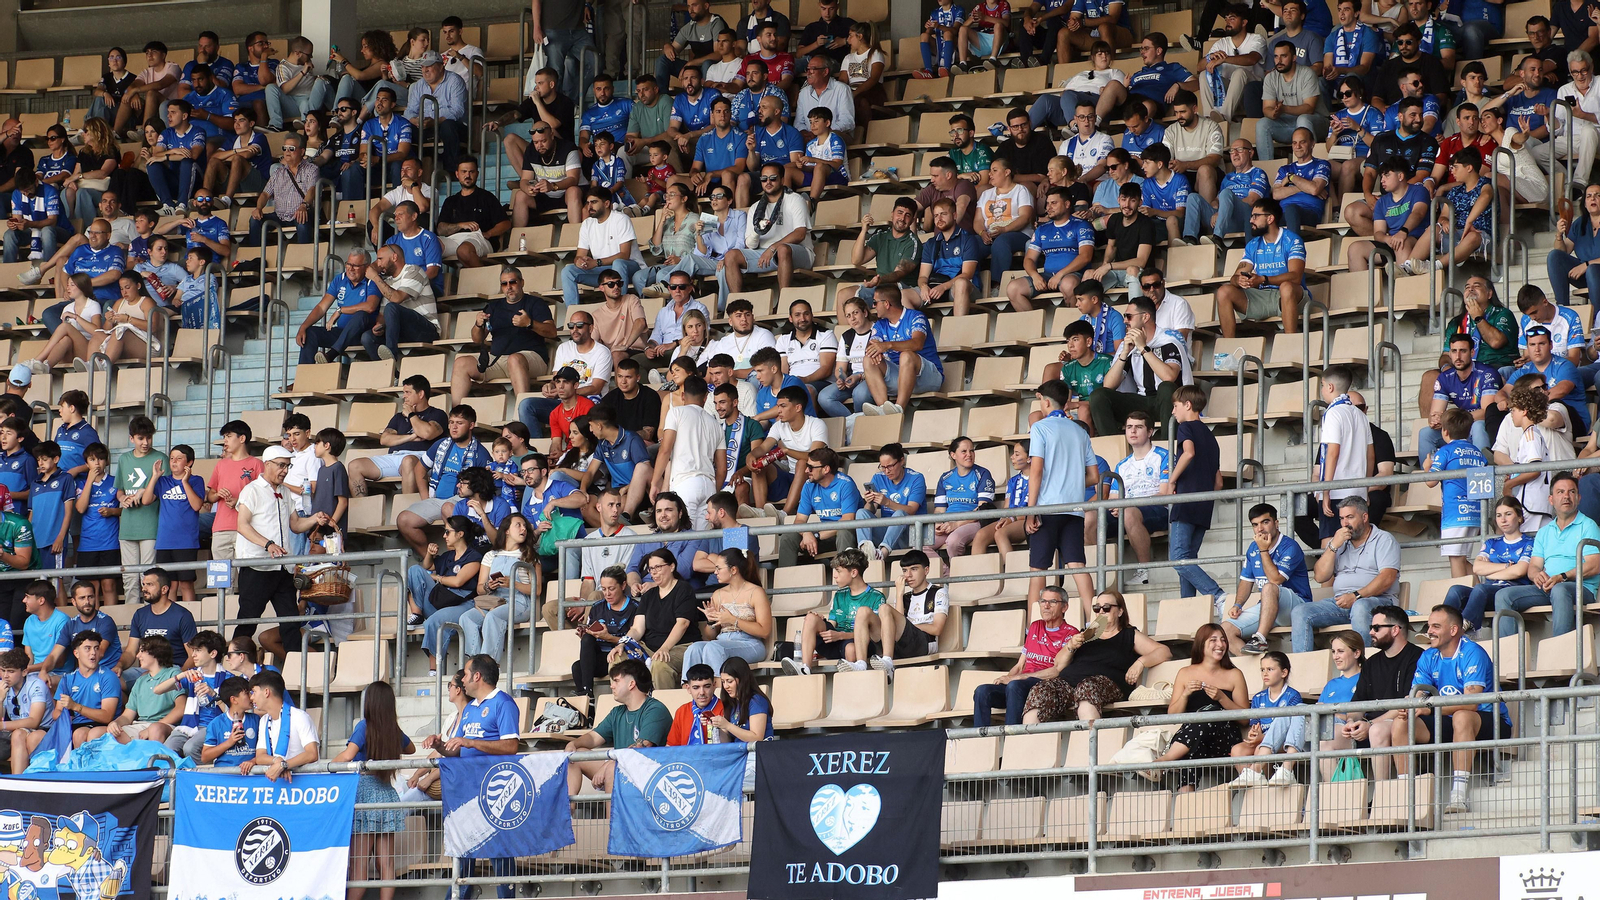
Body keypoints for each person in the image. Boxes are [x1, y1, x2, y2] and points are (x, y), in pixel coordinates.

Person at [1393, 605, 1512, 813]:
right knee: (1401, 723)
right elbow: (1418, 695)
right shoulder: (1428, 656)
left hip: (1490, 721)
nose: (1429, 631)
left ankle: (1459, 796)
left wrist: (1429, 708)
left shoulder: (1472, 652)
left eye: (1436, 626)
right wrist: (1410, 707)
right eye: (1429, 626)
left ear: (1454, 630)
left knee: (1462, 716)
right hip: (1447, 719)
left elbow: (1471, 703)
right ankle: (1404, 797)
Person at [1022, 588, 1171, 724]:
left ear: (1120, 611)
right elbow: (1058, 664)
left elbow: (1164, 651)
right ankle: (1029, 740)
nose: (1101, 611)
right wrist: (1070, 646)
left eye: (1106, 608)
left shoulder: (1128, 634)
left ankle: (1090, 741)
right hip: (1070, 683)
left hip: (1106, 684)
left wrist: (1140, 662)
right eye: (1097, 608)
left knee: (1087, 687)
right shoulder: (1087, 634)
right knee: (1042, 689)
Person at [331, 681, 413, 900]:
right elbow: (411, 748)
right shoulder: (392, 729)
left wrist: (327, 767)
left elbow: (347, 756)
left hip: (364, 795)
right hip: (386, 795)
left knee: (359, 869)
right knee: (385, 864)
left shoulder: (364, 726)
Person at [235, 447, 320, 658]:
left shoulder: (285, 492)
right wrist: (268, 544)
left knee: (290, 621)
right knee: (248, 620)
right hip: (257, 566)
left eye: (287, 466)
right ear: (267, 464)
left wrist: (315, 519)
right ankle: (234, 663)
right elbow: (242, 525)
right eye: (281, 465)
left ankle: (297, 668)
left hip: (282, 568)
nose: (285, 470)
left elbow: (296, 524)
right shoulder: (252, 490)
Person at [1494, 473, 1600, 638]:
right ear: (1551, 500)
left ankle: (1560, 650)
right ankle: (1509, 653)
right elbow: (1534, 566)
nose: (1566, 496)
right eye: (1560, 492)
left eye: (1571, 492)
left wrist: (1562, 577)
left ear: (1579, 498)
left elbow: (1594, 565)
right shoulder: (1544, 531)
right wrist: (1537, 575)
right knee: (1504, 595)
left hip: (1580, 588)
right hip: (1549, 586)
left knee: (1560, 589)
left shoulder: (1588, 525)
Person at [1291, 497, 1401, 651]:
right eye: (1342, 518)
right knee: (1300, 611)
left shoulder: (1383, 539)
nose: (1345, 523)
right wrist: (1333, 546)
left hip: (1378, 602)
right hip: (1341, 603)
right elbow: (1320, 576)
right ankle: (1304, 664)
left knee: (1360, 607)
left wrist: (1356, 596)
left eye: (1350, 517)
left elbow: (1387, 578)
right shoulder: (1339, 542)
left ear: (1364, 517)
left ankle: (1364, 663)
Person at [1025, 379, 1099, 608]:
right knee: (1078, 566)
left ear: (1046, 402)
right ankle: (1094, 619)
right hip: (1074, 509)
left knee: (1038, 570)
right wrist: (1072, 483)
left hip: (1047, 508)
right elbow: (1094, 476)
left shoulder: (1040, 428)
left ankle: (1033, 625)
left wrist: (1030, 511)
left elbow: (1036, 471)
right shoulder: (1079, 431)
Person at [1151, 624, 1250, 791]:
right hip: (1193, 739)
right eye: (1213, 640)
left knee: (1210, 711)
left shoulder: (1234, 674)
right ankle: (1185, 798)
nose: (1220, 644)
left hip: (1224, 740)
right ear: (1201, 644)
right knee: (1193, 745)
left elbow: (1245, 719)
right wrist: (1185, 694)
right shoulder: (1185, 673)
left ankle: (1166, 759)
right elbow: (1172, 715)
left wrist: (1222, 698)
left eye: (1223, 640)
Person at [973, 585, 1080, 725]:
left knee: (1014, 686)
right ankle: (979, 736)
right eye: (1043, 601)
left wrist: (1017, 678)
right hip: (1019, 685)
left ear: (1064, 607)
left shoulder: (1071, 633)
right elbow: (1020, 664)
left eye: (1052, 602)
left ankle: (1013, 734)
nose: (1046, 606)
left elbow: (1056, 671)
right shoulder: (1035, 626)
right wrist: (1007, 678)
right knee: (982, 691)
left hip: (1044, 686)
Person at [566, 658, 670, 794]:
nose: (612, 686)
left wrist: (609, 765)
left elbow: (640, 749)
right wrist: (573, 744)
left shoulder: (655, 709)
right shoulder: (617, 712)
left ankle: (612, 809)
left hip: (649, 777)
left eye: (616, 681)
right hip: (621, 767)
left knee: (611, 770)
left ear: (631, 684)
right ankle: (568, 807)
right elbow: (593, 738)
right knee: (575, 756)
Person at [1089, 297, 1185, 439]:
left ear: (1145, 317)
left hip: (1167, 403)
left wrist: (1143, 348)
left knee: (1166, 387)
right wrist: (1124, 353)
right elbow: (1108, 385)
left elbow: (1169, 376)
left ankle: (1167, 446)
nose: (1124, 321)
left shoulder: (1168, 341)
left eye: (1129, 316)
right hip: (1142, 401)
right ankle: (1114, 446)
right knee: (1099, 396)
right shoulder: (1128, 344)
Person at [1223, 503, 1312, 655]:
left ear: (1276, 523)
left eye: (1265, 522)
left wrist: (1263, 550)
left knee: (1269, 587)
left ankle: (1260, 639)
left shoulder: (1290, 546)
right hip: (1267, 608)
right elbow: (1246, 581)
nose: (1260, 529)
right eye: (1255, 525)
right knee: (1225, 631)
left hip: (1296, 607)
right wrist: (1238, 604)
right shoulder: (1253, 548)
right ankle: (1258, 666)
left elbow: (1275, 580)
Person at [786, 548, 891, 674]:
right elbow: (833, 623)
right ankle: (805, 668)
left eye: (839, 571)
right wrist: (821, 622)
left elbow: (875, 635)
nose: (834, 575)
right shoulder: (839, 595)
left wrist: (841, 635)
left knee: (851, 649)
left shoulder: (876, 597)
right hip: (837, 641)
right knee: (811, 618)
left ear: (853, 573)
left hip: (860, 644)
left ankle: (853, 680)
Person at [720, 162, 814, 301]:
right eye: (764, 179)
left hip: (798, 252)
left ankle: (784, 301)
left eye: (773, 178)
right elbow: (750, 245)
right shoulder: (755, 207)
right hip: (764, 253)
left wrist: (773, 247)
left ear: (782, 180)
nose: (768, 182)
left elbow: (800, 233)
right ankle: (737, 304)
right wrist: (757, 232)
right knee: (731, 256)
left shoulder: (795, 199)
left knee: (782, 249)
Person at [1444, 496, 1533, 634]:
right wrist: (1506, 566)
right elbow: (1477, 568)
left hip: (1512, 591)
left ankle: (1465, 627)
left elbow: (1519, 571)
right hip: (1488, 592)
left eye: (1508, 514)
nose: (1503, 520)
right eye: (1499, 515)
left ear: (1520, 517)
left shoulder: (1529, 542)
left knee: (1480, 588)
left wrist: (1490, 572)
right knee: (1456, 590)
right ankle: (1440, 626)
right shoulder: (1491, 543)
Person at [1217, 198, 1304, 338]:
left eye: (1256, 216)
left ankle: (1290, 341)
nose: (1251, 220)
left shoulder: (1292, 240)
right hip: (1261, 297)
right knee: (1224, 291)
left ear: (1270, 218)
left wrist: (1264, 279)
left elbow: (1296, 277)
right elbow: (1235, 277)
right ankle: (1228, 346)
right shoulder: (1252, 244)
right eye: (1251, 216)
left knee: (1286, 287)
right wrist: (1239, 280)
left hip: (1291, 296)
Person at [681, 547, 771, 676]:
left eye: (719, 568)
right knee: (694, 649)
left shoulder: (756, 592)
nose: (715, 572)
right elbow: (710, 636)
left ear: (733, 570)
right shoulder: (718, 594)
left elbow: (765, 631)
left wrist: (733, 620)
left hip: (749, 643)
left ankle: (718, 685)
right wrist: (711, 621)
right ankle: (689, 686)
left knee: (713, 648)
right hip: (721, 640)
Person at [1228, 651, 1305, 786]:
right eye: (1262, 669)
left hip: (1283, 742)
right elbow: (1254, 725)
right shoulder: (1258, 697)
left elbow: (1293, 728)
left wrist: (1262, 738)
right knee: (1237, 750)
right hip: (1262, 739)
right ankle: (1254, 785)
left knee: (1259, 749)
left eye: (1270, 669)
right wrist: (1253, 734)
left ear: (1284, 672)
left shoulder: (1293, 696)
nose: (1265, 673)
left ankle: (1261, 780)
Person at [404, 52, 468, 177]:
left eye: (429, 66)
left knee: (448, 126)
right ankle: (415, 174)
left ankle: (451, 173)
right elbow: (409, 111)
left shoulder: (454, 80)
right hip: (426, 127)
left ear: (441, 66)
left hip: (453, 127)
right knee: (406, 129)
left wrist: (435, 121)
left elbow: (457, 110)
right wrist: (415, 121)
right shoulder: (418, 85)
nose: (425, 70)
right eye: (423, 67)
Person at [0, 647, 48, 771]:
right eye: (2, 670)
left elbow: (34, 721)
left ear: (24, 672)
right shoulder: (3, 687)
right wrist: (0, 699)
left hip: (44, 730)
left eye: (11, 671)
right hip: (17, 731)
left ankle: (20, 779)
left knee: (20, 734)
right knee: (18, 733)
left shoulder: (36, 684)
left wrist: (3, 725)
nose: (5, 676)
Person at [667, 664, 725, 746]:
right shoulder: (682, 711)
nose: (702, 692)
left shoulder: (725, 708)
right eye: (696, 687)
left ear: (714, 685)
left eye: (707, 686)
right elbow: (671, 746)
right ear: (688, 688)